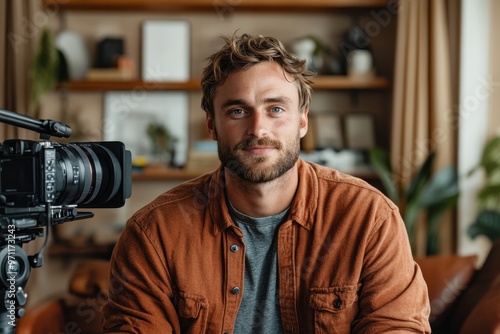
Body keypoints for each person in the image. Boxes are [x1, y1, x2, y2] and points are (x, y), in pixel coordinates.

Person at [102, 33, 431, 333]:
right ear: (212, 125)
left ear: (302, 120)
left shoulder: (369, 218)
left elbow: (397, 326)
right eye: (237, 111)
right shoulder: (154, 233)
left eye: (275, 108)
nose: (258, 128)